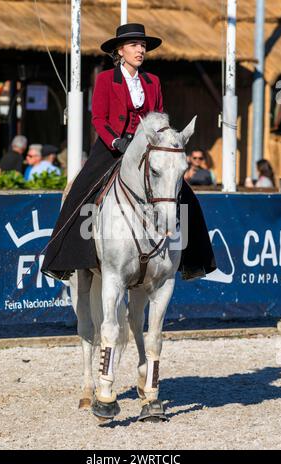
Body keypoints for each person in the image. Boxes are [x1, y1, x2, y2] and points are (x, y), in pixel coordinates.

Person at [41, 23, 216, 281]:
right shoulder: (104, 79)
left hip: (147, 147)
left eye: (143, 46)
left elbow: (159, 116)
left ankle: (194, 262)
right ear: (120, 51)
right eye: (135, 45)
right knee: (80, 190)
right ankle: (62, 260)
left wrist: (162, 138)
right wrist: (116, 142)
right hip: (112, 146)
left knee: (186, 195)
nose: (140, 50)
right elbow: (99, 118)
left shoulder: (153, 81)